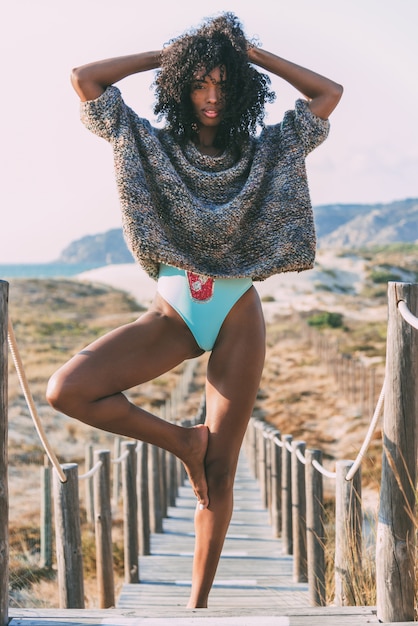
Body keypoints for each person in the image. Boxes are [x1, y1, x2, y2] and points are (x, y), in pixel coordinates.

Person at [47, 13, 342, 608]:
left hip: (237, 310)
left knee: (223, 471)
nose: (211, 97)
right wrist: (171, 55)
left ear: (240, 89)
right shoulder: (148, 143)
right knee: (67, 389)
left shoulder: (270, 150)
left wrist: (250, 56)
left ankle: (195, 606)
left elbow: (327, 95)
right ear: (182, 86)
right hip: (173, 309)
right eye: (199, 83)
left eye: (224, 85)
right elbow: (84, 78)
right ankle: (182, 442)